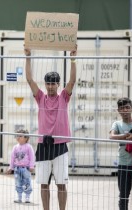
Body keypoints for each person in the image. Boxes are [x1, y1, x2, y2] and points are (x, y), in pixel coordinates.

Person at [24, 46, 77, 210]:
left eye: (54, 83)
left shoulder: (64, 98)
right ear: (45, 84)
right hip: (43, 145)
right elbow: (29, 80)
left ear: (58, 84)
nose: (51, 86)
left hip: (60, 146)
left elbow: (72, 81)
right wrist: (28, 57)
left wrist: (73, 59)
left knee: (61, 184)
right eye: (48, 83)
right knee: (43, 184)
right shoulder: (40, 97)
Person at [6, 129, 35, 203]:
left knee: (26, 182)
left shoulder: (28, 147)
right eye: (17, 136)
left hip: (26, 169)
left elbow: (32, 157)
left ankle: (27, 197)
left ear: (26, 138)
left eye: (20, 136)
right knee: (18, 183)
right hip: (17, 169)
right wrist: (11, 167)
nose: (18, 137)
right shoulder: (15, 147)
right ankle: (19, 197)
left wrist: (32, 166)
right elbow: (12, 158)